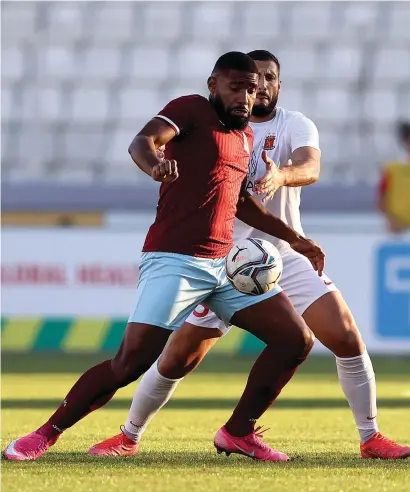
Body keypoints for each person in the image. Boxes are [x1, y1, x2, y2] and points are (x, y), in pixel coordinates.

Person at [88, 51, 410, 461]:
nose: (259, 85)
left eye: (268, 78)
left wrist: (281, 175)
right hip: (222, 259)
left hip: (280, 254)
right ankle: (129, 435)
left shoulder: (294, 124)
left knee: (346, 337)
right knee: (177, 359)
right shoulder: (220, 125)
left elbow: (310, 166)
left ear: (278, 85)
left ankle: (370, 438)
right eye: (251, 79)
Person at [3, 51, 325, 462]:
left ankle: (239, 432)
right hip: (175, 259)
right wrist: (154, 165)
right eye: (235, 87)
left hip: (225, 266)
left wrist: (296, 239)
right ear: (213, 85)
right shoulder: (189, 109)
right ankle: (46, 433)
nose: (246, 96)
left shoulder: (243, 137)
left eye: (251, 88)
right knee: (130, 362)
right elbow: (143, 141)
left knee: (295, 339)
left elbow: (240, 202)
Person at [378, 121, 410, 233]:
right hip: (401, 232)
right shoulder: (392, 169)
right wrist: (391, 220)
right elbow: (381, 201)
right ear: (407, 142)